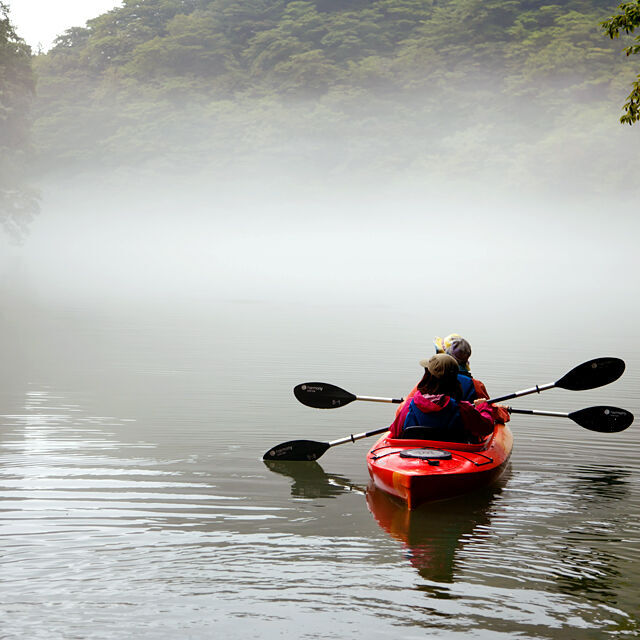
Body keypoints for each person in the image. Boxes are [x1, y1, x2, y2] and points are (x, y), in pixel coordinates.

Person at [397, 332, 510, 424]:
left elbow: (402, 410)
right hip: (459, 438)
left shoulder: (427, 383)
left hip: (421, 439)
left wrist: (407, 402)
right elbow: (489, 415)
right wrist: (501, 410)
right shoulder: (473, 390)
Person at [389, 354, 494, 443]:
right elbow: (487, 428)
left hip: (413, 454)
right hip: (453, 456)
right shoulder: (463, 409)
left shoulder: (409, 405)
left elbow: (395, 432)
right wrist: (483, 407)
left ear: (427, 377)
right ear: (454, 380)